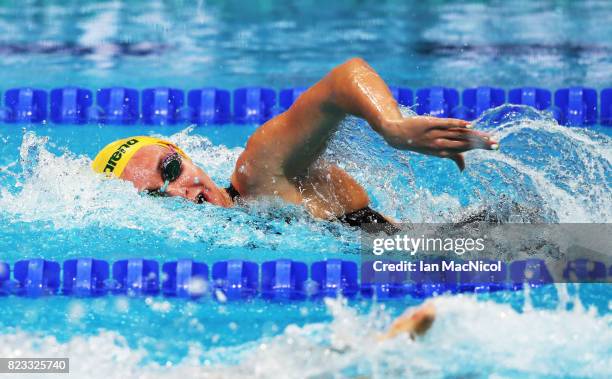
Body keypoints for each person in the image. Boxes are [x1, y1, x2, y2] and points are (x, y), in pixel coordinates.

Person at [92, 58, 497, 227]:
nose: (182, 190)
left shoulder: (259, 174)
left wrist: (393, 126)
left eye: (170, 168)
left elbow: (344, 79)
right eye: (157, 196)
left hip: (470, 247)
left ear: (183, 154)